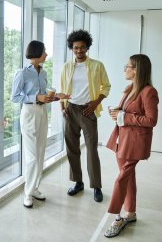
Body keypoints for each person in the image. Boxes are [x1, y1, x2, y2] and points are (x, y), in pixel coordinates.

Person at [104, 54, 159, 238]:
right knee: (128, 178)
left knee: (121, 179)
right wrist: (117, 113)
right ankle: (131, 213)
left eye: (127, 66)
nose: (124, 69)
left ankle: (118, 217)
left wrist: (124, 117)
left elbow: (152, 120)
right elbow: (126, 114)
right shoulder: (130, 89)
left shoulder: (149, 92)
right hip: (122, 140)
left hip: (135, 144)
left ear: (136, 70)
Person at [11, 40, 68, 208]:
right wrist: (35, 97)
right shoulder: (22, 73)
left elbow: (44, 96)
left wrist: (57, 96)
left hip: (42, 113)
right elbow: (14, 97)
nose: (46, 54)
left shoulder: (43, 73)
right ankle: (27, 194)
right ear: (36, 52)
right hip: (29, 113)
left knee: (41, 153)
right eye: (44, 51)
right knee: (32, 156)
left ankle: (35, 188)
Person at [60, 30, 111, 202]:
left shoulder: (97, 65)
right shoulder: (67, 67)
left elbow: (106, 86)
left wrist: (96, 102)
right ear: (71, 48)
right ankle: (78, 182)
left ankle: (96, 186)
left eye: (82, 48)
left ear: (87, 48)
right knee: (72, 148)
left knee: (91, 149)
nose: (79, 51)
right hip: (70, 109)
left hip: (88, 111)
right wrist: (62, 107)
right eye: (75, 48)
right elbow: (62, 90)